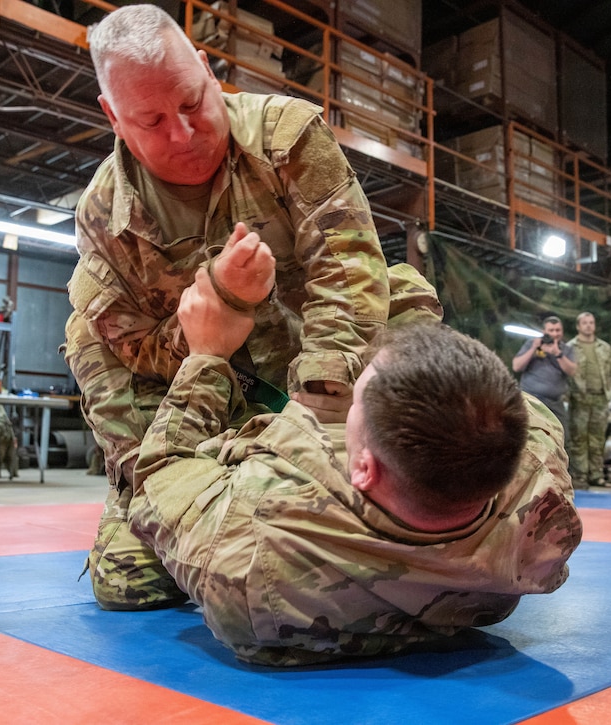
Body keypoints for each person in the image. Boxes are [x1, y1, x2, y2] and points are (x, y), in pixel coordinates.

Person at [65, 5, 441, 555]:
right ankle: (166, 494)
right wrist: (219, 316)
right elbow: (135, 352)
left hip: (321, 382)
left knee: (401, 295)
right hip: (204, 398)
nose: (184, 132)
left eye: (192, 101)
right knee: (131, 580)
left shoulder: (286, 138)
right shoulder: (103, 218)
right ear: (113, 117)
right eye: (151, 121)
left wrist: (315, 423)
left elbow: (348, 273)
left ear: (206, 67)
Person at [102, 267, 583, 666]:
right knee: (402, 284)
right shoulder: (542, 495)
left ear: (362, 469)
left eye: (358, 400)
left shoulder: (248, 547)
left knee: (121, 577)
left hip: (262, 524)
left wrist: (206, 356)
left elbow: (159, 472)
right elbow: (531, 416)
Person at [512, 315, 577, 456]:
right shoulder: (531, 344)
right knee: (527, 436)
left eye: (557, 330)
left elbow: (572, 371)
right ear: (544, 331)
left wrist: (558, 354)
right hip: (531, 400)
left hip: (555, 402)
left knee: (562, 437)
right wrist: (534, 349)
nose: (554, 334)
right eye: (551, 330)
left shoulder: (566, 349)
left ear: (562, 332)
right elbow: (516, 366)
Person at [566, 312, 611, 487]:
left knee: (598, 439)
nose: (588, 326)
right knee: (579, 439)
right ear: (578, 326)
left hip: (600, 399)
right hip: (579, 398)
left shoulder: (605, 348)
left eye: (591, 322)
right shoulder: (569, 347)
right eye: (585, 323)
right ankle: (580, 476)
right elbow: (565, 373)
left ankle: (597, 475)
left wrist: (610, 392)